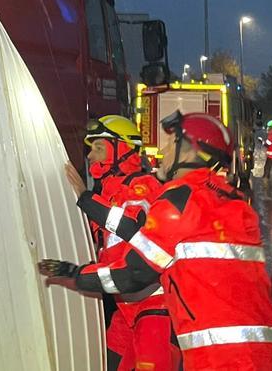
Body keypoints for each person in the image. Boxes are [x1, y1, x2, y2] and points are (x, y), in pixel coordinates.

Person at [39, 111, 272, 370]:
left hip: (220, 358)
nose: (163, 152)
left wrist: (75, 274)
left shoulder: (179, 200)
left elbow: (134, 272)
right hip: (262, 351)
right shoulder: (235, 203)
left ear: (189, 154)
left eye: (171, 144)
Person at [81, 116, 181, 371]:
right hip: (125, 310)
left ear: (122, 149)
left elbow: (129, 229)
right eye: (90, 149)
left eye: (98, 147)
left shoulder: (143, 187)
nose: (91, 156)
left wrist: (85, 199)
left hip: (155, 310)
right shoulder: (108, 192)